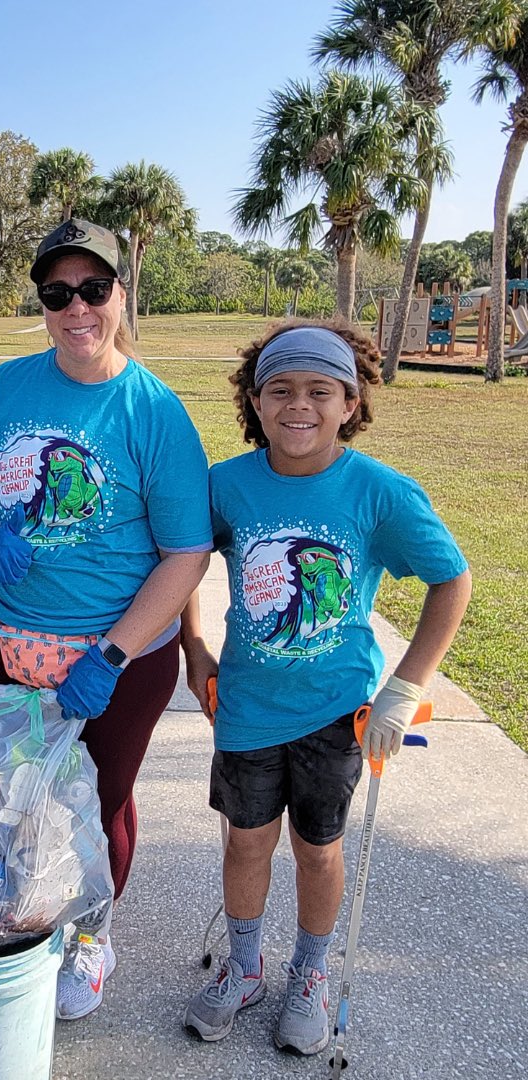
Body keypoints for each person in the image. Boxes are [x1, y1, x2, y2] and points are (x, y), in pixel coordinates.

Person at [179, 320, 471, 1055]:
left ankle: (310, 972)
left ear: (351, 402)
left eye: (320, 391)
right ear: (255, 401)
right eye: (280, 390)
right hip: (246, 706)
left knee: (317, 850)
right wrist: (194, 646)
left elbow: (452, 581)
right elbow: (180, 560)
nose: (299, 405)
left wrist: (406, 685)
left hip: (337, 712)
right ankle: (245, 967)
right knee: (246, 844)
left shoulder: (379, 492)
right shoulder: (226, 486)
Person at [0, 218, 213, 1020]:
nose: (76, 308)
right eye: (57, 293)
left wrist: (112, 655)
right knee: (6, 790)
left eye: (93, 289)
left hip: (117, 657)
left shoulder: (153, 410)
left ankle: (93, 933)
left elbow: (186, 553)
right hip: (5, 641)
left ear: (120, 293)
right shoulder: (2, 390)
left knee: (100, 799)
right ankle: (24, 906)